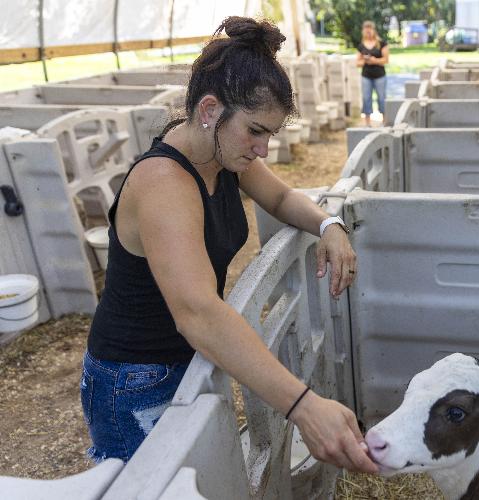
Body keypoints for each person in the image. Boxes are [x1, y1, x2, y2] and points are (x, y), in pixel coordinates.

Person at [79, 16, 377, 474]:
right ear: (210, 110)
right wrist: (303, 405)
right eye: (256, 131)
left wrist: (330, 224)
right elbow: (198, 311)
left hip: (186, 355)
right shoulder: (165, 181)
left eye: (270, 135)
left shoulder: (221, 153)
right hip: (135, 378)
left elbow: (279, 196)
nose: (262, 149)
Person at [356, 21, 389, 126]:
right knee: (366, 98)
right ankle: (368, 123)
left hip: (379, 75)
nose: (368, 32)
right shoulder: (361, 46)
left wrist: (375, 60)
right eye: (366, 30)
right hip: (366, 75)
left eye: (370, 30)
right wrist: (365, 61)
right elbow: (358, 62)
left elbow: (386, 60)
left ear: (373, 31)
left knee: (381, 98)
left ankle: (384, 121)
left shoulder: (382, 43)